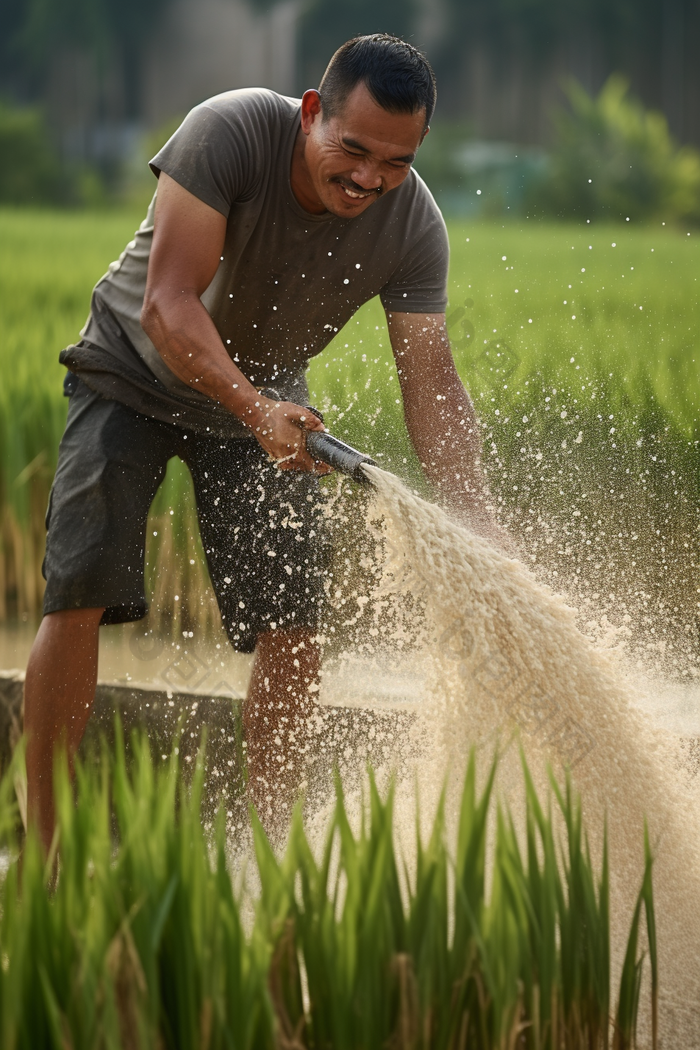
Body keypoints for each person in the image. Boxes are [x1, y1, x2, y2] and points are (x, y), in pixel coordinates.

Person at [24, 33, 503, 851]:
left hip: (267, 397)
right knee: (79, 594)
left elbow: (431, 381)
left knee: (295, 623)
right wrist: (256, 411)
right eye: (352, 149)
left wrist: (480, 524)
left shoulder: (414, 225)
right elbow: (169, 306)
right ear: (312, 113)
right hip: (130, 372)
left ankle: (268, 855)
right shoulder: (230, 132)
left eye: (394, 162)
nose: (368, 178)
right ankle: (44, 855)